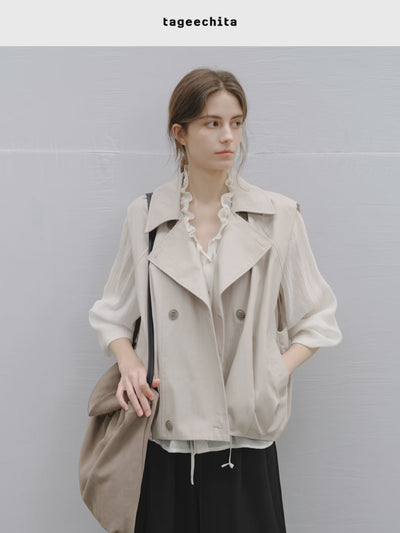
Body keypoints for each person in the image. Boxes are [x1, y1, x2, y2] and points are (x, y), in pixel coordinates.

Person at [88, 68, 342, 533]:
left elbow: (318, 317)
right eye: (212, 123)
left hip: (243, 436)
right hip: (166, 434)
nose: (229, 137)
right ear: (180, 133)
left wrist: (269, 372)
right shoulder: (146, 215)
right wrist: (129, 362)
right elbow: (112, 314)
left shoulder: (277, 216)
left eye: (236, 123)